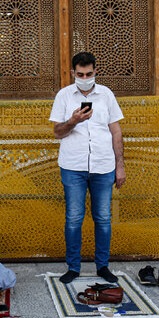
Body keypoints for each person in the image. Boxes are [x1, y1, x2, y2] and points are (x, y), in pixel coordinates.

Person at [49, 52, 126, 284]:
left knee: (103, 218)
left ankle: (102, 266)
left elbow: (116, 131)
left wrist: (120, 164)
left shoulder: (106, 95)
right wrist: (73, 121)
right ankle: (73, 267)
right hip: (73, 167)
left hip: (104, 166)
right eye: (80, 74)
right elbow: (57, 132)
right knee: (74, 218)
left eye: (89, 74)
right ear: (73, 73)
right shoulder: (64, 96)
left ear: (95, 71)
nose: (85, 78)